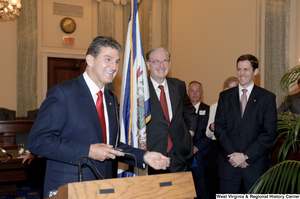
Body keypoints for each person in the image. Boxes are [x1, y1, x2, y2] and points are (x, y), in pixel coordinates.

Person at [28, 36, 170, 198]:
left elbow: (112, 146)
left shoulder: (110, 98)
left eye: (117, 61)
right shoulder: (63, 93)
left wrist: (144, 156)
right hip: (69, 187)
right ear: (90, 60)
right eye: (108, 59)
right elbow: (37, 141)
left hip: (105, 187)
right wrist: (88, 150)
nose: (114, 66)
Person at [214, 54, 277, 193]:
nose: (241, 73)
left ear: (255, 71)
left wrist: (245, 156)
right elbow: (219, 128)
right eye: (239, 69)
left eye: (246, 69)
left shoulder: (267, 98)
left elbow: (268, 132)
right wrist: (233, 155)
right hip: (228, 166)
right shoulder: (225, 96)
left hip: (255, 167)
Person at [145, 47, 197, 175]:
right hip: (152, 156)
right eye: (156, 61)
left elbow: (190, 111)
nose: (161, 65)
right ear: (148, 65)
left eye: (165, 61)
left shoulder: (178, 85)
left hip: (179, 154)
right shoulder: (140, 89)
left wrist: (189, 133)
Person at [205, 76, 238, 199]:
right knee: (216, 182)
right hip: (217, 147)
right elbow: (207, 135)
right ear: (225, 89)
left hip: (235, 147)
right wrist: (211, 128)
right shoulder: (214, 107)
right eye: (232, 88)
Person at [187, 81, 210, 199]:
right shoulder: (181, 111)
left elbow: (209, 133)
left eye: (197, 90)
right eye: (192, 90)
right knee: (185, 185)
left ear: (202, 93)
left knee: (202, 186)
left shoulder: (209, 110)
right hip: (184, 155)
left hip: (202, 155)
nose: (194, 93)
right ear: (187, 93)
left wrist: (196, 147)